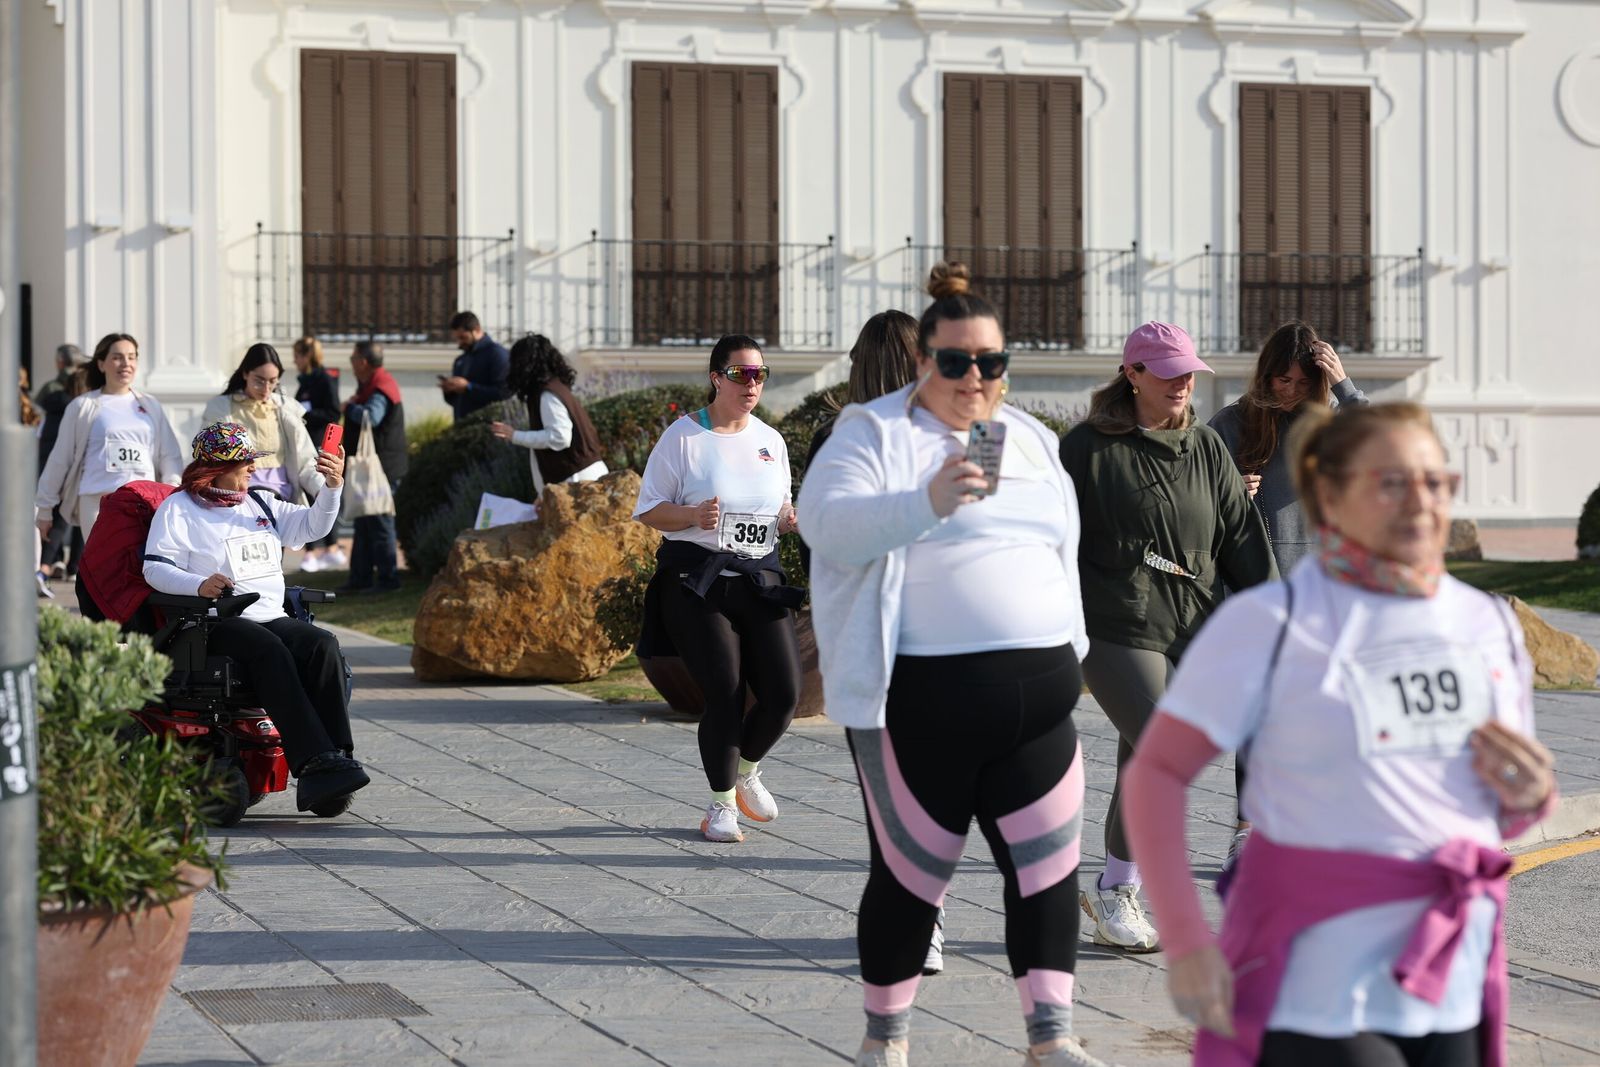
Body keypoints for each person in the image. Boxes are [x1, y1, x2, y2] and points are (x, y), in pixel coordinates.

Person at [1122, 401, 1557, 1067]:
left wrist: (1529, 797)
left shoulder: (1487, 624)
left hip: (1451, 975)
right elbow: (1155, 773)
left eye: (1435, 480)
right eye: (1391, 481)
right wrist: (1185, 938)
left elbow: (1492, 809)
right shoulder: (1272, 622)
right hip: (1319, 980)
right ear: (1329, 493)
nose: (1419, 500)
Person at [803, 263, 1105, 1067]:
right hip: (919, 705)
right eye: (957, 361)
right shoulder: (872, 432)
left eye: (992, 362)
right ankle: (886, 1040)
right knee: (908, 883)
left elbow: (1060, 547)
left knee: (1047, 875)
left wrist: (1067, 650)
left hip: (1039, 704)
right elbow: (827, 527)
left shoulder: (1031, 439)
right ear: (923, 359)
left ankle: (1052, 1037)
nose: (976, 378)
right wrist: (924, 503)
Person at [1057, 321, 1276, 954]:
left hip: (1194, 625)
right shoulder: (1088, 449)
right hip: (1116, 621)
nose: (1182, 382)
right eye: (1167, 370)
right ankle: (1113, 889)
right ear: (1132, 374)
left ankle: (1112, 886)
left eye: (1188, 371)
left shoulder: (1207, 448)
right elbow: (1050, 537)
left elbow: (1239, 537)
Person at [143, 421, 370, 813]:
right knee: (268, 650)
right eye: (245, 462)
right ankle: (313, 760)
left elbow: (313, 526)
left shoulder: (260, 501)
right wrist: (198, 584)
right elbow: (154, 568)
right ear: (217, 466)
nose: (253, 469)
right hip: (214, 622)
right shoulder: (177, 509)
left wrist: (332, 487)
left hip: (269, 615)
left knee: (322, 645)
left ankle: (335, 757)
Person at [633, 334, 803, 844]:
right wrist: (690, 515)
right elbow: (648, 509)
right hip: (697, 582)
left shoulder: (771, 441)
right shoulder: (683, 438)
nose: (751, 383)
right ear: (716, 378)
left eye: (759, 374)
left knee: (783, 695)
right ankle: (720, 806)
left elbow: (780, 504)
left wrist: (788, 518)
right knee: (725, 694)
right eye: (740, 374)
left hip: (760, 577)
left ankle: (747, 768)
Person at [1209, 320, 1369, 575]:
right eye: (1284, 380)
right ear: (1267, 376)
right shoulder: (1230, 423)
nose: (1292, 390)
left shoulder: (1330, 422)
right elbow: (1196, 496)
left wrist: (1343, 385)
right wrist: (1227, 494)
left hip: (1320, 577)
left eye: (1304, 382)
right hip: (1250, 579)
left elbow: (1374, 443)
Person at [35, 332, 185, 540]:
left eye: (131, 357)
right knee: (104, 569)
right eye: (117, 357)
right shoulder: (82, 406)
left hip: (143, 503)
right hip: (97, 503)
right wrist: (45, 507)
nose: (125, 363)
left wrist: (171, 494)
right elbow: (60, 459)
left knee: (138, 570)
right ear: (101, 364)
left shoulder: (150, 406)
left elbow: (170, 455)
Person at [203, 343, 327, 506]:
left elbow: (305, 462)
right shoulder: (221, 409)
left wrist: (322, 490)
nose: (266, 388)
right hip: (237, 496)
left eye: (272, 381)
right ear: (245, 374)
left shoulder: (286, 410)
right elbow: (207, 458)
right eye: (259, 381)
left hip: (281, 498)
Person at [489, 333, 608, 495]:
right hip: (582, 480)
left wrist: (515, 435)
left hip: (579, 484)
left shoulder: (547, 395)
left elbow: (560, 437)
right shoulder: (554, 389)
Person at [340, 341, 407, 594]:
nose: (351, 363)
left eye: (353, 358)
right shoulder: (374, 384)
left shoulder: (381, 387)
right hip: (375, 467)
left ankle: (388, 580)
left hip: (383, 469)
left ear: (363, 362)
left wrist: (351, 408)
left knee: (379, 523)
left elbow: (371, 418)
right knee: (365, 523)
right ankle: (360, 578)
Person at [293, 336, 347, 572]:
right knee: (311, 494)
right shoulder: (304, 382)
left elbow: (333, 412)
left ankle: (330, 547)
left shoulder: (324, 379)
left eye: (297, 355)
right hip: (306, 444)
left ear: (307, 356)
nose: (294, 360)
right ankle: (314, 550)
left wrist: (305, 413)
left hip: (320, 444)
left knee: (323, 492)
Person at [35, 344, 88, 582]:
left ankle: (50, 561)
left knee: (56, 512)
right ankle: (75, 564)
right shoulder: (86, 390)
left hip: (51, 455)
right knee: (78, 510)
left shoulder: (50, 389)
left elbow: (37, 415)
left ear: (59, 362)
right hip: (79, 457)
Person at [440, 310, 510, 421]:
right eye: (457, 338)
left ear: (477, 330)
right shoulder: (461, 360)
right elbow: (457, 402)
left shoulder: (497, 354)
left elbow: (504, 394)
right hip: (463, 427)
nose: (459, 343)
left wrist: (468, 387)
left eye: (463, 338)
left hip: (488, 429)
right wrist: (449, 390)